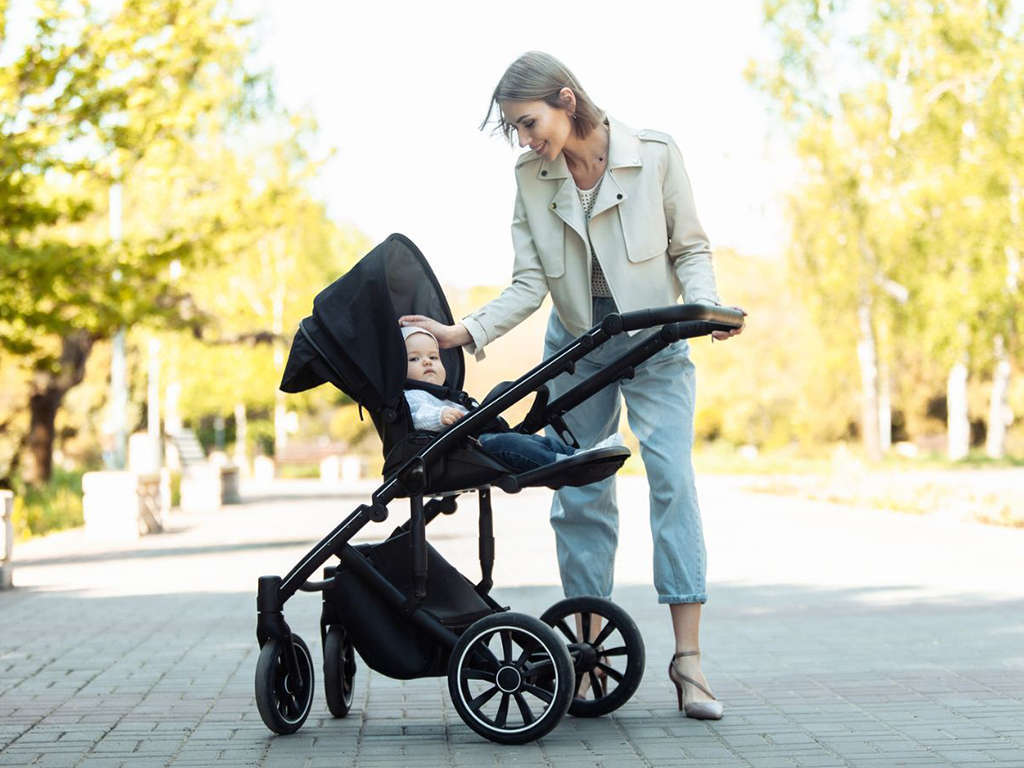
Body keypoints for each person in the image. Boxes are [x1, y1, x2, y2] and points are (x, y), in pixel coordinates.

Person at [399, 51, 744, 719]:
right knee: (580, 486)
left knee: (672, 481)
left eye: (530, 123)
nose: (527, 141)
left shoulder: (656, 155)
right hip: (579, 347)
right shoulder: (532, 177)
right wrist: (460, 332)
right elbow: (530, 283)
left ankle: (689, 661)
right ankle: (585, 654)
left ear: (566, 99)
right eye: (517, 131)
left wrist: (705, 305)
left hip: (657, 339)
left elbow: (690, 248)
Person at [403, 326, 616, 471]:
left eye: (433, 357)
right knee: (514, 444)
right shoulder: (413, 396)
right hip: (464, 452)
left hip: (476, 445)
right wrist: (440, 416)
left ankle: (581, 454)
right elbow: (416, 417)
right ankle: (562, 462)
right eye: (415, 358)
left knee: (537, 441)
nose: (427, 363)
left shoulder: (447, 396)